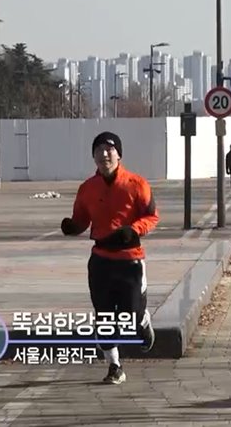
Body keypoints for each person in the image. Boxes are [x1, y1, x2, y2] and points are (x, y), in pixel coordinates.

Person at [60, 131, 160, 385]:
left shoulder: (137, 184)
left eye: (109, 149)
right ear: (93, 156)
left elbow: (152, 217)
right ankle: (114, 366)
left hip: (130, 261)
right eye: (98, 150)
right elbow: (82, 218)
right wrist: (73, 226)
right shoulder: (87, 188)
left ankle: (143, 319)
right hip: (101, 260)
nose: (104, 154)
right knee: (104, 317)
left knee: (131, 316)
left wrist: (133, 230)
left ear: (119, 154)